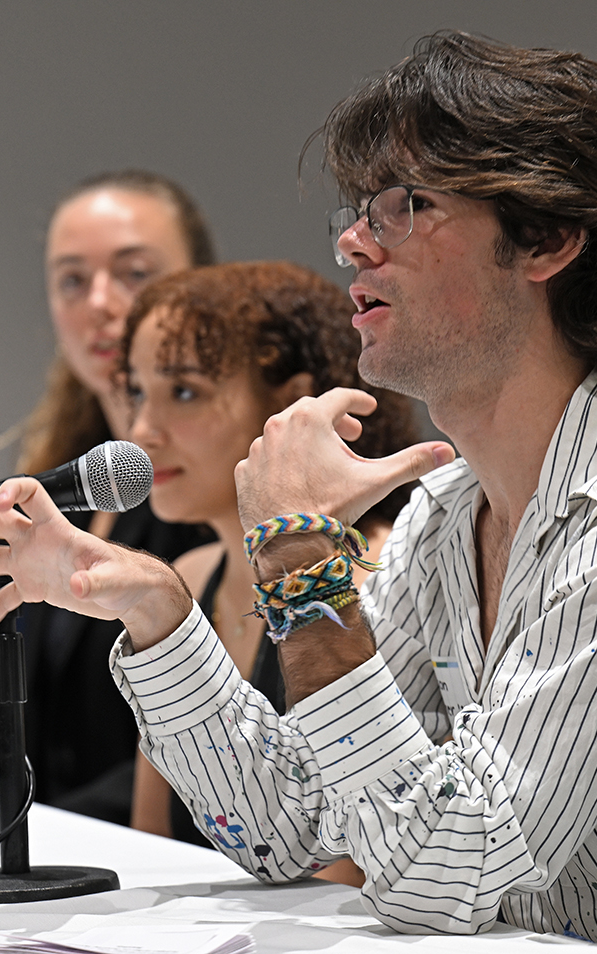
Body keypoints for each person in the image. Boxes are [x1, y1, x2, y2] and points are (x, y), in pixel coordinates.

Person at [0, 32, 597, 953]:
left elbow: (442, 875)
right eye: (359, 211)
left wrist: (302, 557)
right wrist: (158, 615)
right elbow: (293, 830)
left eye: (407, 206)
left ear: (548, 239)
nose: (353, 244)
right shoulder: (443, 516)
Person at [117, 261, 417, 864]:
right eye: (135, 391)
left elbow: (363, 862)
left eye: (183, 392)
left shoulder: (378, 573)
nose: (142, 430)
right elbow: (150, 845)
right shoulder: (192, 575)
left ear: (290, 403)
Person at [14, 170, 216, 822]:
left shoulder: (218, 487)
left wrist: (58, 826)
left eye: (133, 272)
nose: (99, 303)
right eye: (73, 280)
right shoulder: (63, 478)